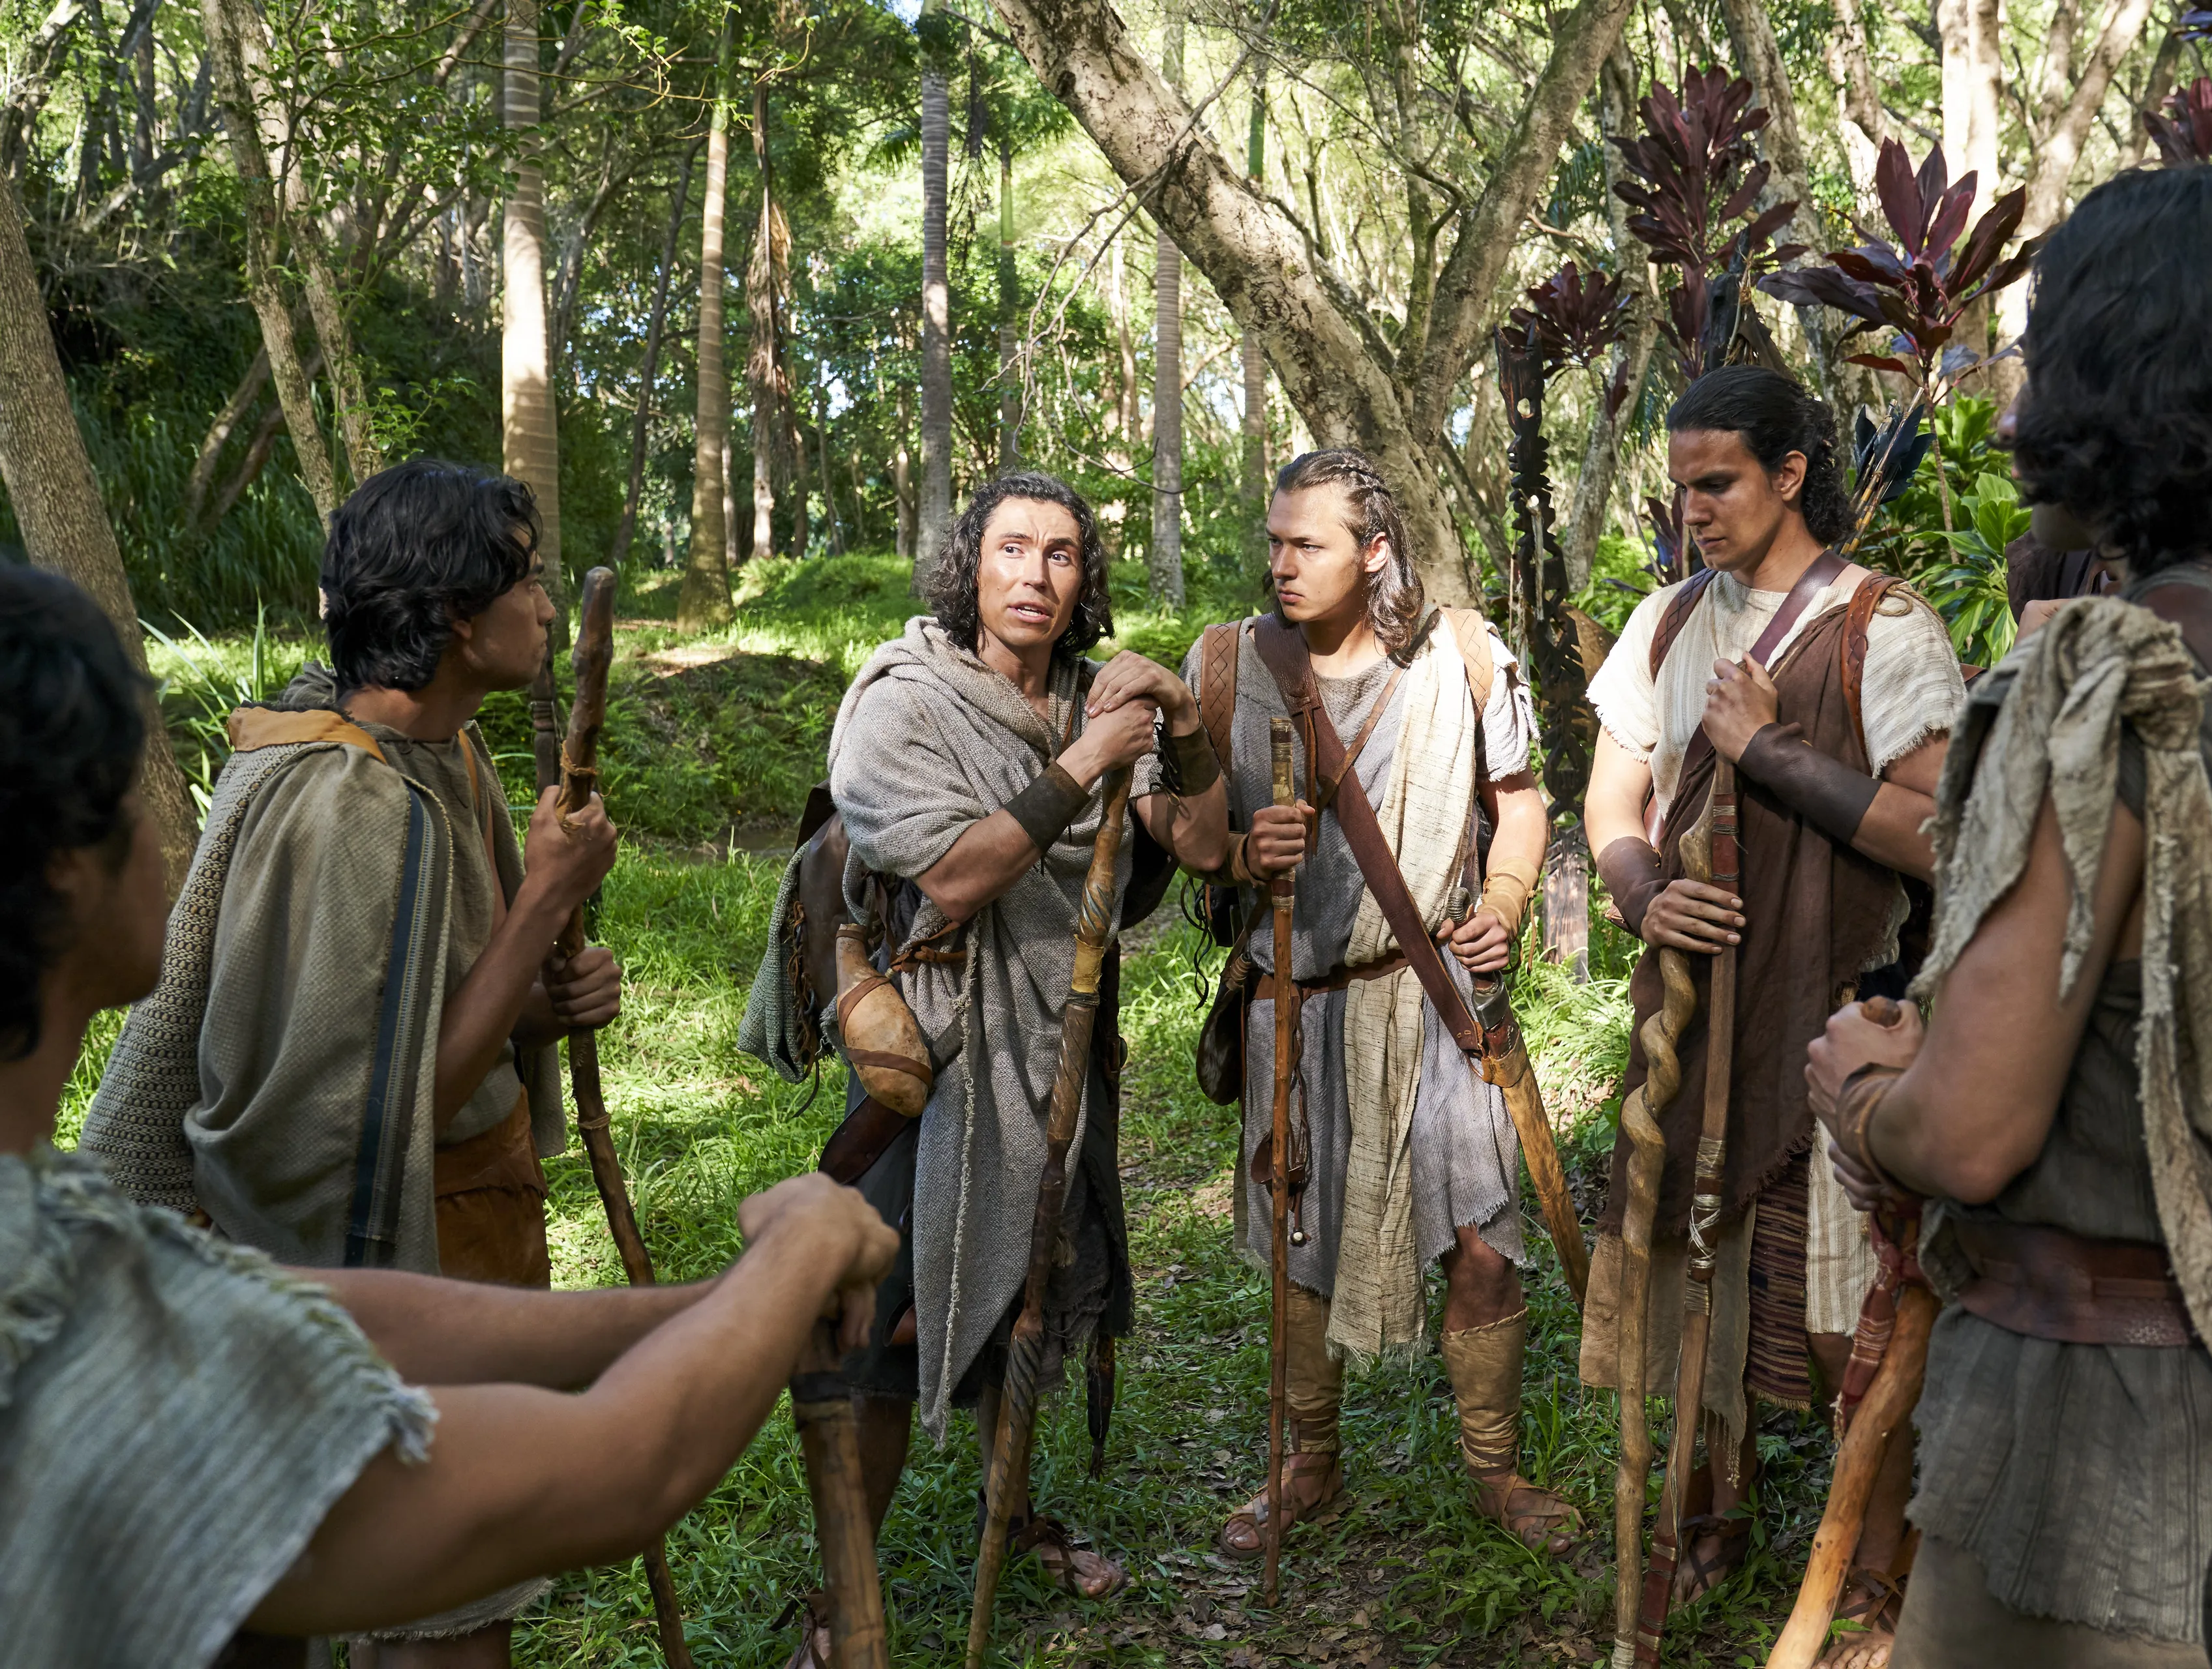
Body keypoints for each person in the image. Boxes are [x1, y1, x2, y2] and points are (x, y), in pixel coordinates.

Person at [0, 563, 898, 1669]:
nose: (168, 834)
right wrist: (797, 1253)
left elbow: (316, 1318)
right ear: (59, 873)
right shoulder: (82, 1355)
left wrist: (714, 1304)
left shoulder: (56, 1240)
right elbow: (613, 1469)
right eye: (128, 799)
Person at [1803, 167, 2212, 1666]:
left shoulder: (2100, 684)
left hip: (2115, 1455)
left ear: (2112, 377)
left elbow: (1972, 1130)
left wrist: (1868, 1086)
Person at [79, 459, 622, 1664]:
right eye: (523, 581)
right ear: (456, 622)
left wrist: (545, 1000)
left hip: (471, 1224)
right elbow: (357, 1127)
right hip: (384, 1262)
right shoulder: (345, 802)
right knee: (441, 1619)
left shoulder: (445, 756)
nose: (544, 607)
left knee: (442, 1587)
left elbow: (418, 1020)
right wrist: (541, 906)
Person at [765, 471, 1229, 1608]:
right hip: (929, 1055)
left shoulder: (1095, 700)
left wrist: (1182, 718)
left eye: (1062, 554)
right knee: (881, 1323)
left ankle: (1010, 1517)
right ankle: (845, 1596)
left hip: (1059, 1048)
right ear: (970, 565)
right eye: (1012, 549)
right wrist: (1084, 764)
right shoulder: (904, 699)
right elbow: (957, 874)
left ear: (1086, 580)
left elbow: (1207, 845)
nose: (1036, 574)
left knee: (1036, 1284)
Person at [1578, 366, 1968, 1662]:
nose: (1693, 505)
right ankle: (1711, 1508)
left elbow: (1935, 833)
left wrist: (1768, 755)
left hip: (1840, 1012)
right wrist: (1643, 893)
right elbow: (1610, 807)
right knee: (1700, 1271)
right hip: (1697, 1013)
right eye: (1681, 481)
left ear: (1793, 472)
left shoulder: (1884, 626)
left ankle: (1870, 1565)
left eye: (1720, 480)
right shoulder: (1664, 621)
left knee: (1850, 1299)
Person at [1171, 447, 1573, 1558]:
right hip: (1295, 1007)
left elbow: (1522, 802)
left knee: (1483, 1238)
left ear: (1375, 550)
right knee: (1298, 1241)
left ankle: (1494, 1470)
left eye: (1310, 544)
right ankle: (1310, 1464)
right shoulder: (1228, 666)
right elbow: (1183, 835)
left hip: (1436, 998)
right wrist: (1246, 854)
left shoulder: (1465, 656)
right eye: (1275, 543)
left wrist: (1501, 897)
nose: (1283, 565)